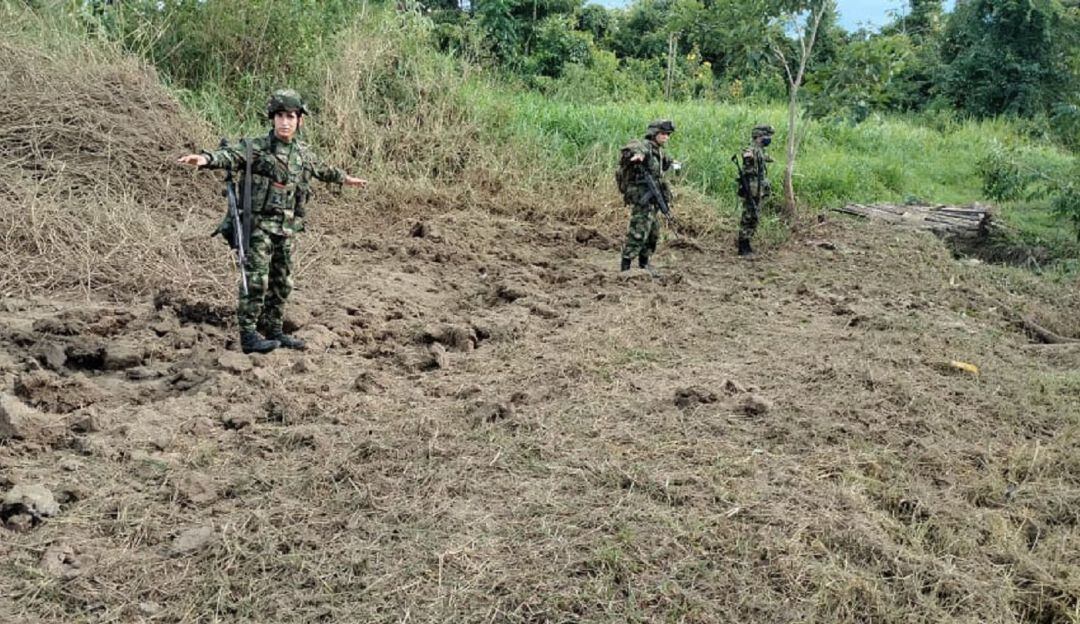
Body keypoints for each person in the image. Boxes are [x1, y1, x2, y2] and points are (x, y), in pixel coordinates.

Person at [177, 89, 367, 354]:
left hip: (287, 229)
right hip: (260, 228)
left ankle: (274, 328)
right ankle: (248, 335)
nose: (285, 122)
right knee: (256, 280)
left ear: (300, 120)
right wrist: (206, 159)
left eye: (290, 116)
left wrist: (346, 179)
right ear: (272, 119)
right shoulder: (256, 148)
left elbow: (323, 170)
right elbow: (231, 155)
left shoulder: (302, 154)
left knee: (282, 282)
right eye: (279, 116)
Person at [617, 119, 679, 274]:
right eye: (663, 134)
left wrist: (674, 164)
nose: (666, 137)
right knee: (638, 232)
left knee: (653, 233)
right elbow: (634, 148)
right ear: (654, 134)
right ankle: (626, 265)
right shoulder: (645, 146)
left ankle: (644, 263)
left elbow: (665, 163)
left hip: (653, 200)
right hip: (643, 198)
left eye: (668, 134)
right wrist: (637, 155)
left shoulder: (658, 151)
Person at [736, 124, 774, 257]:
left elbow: (762, 160)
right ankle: (743, 246)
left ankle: (747, 244)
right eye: (766, 136)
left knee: (754, 216)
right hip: (751, 188)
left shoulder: (759, 150)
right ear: (758, 137)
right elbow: (748, 170)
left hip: (758, 188)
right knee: (748, 216)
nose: (768, 139)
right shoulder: (750, 150)